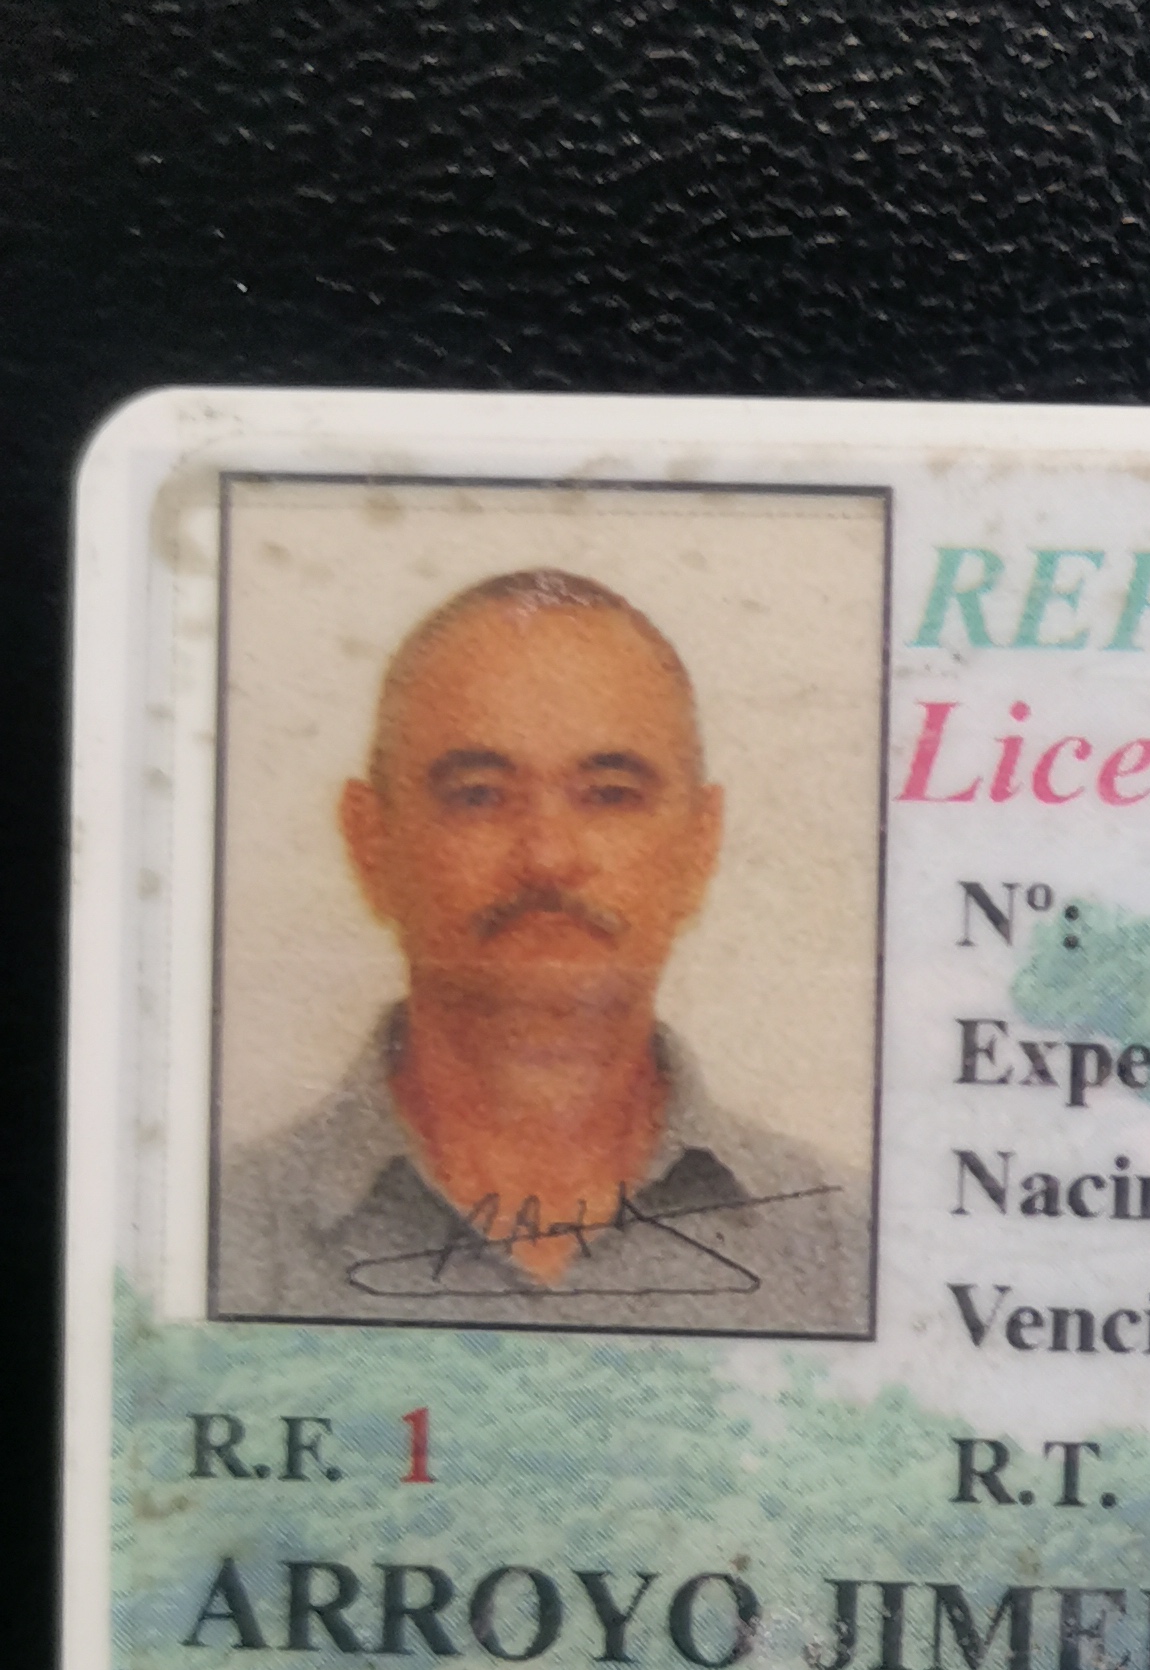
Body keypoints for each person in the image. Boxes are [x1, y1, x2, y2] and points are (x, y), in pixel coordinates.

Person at [214, 567, 871, 1332]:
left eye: (610, 794)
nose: (548, 857)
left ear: (700, 847)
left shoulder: (846, 1253)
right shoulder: (215, 1239)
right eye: (479, 794)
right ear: (371, 843)